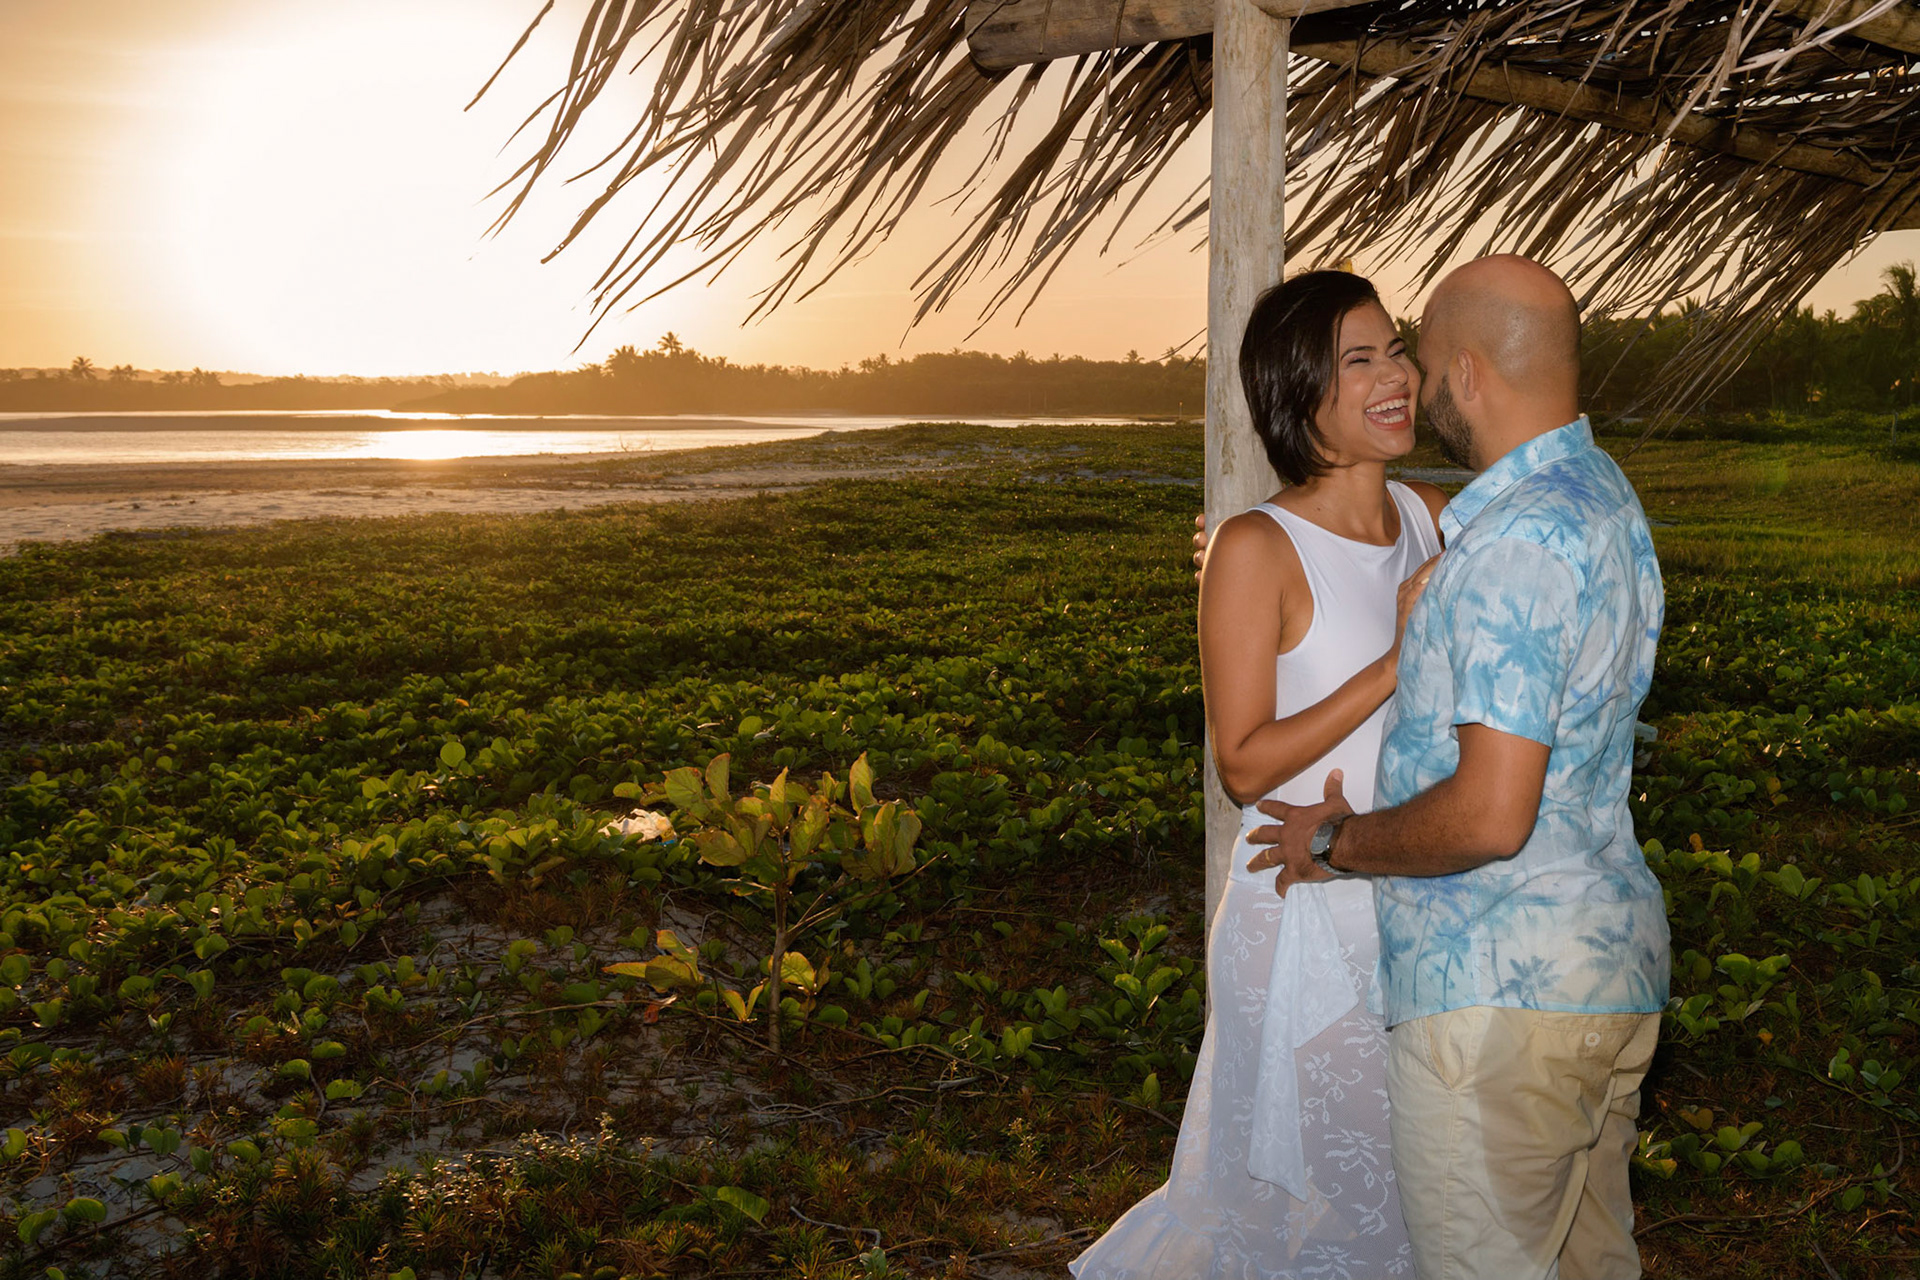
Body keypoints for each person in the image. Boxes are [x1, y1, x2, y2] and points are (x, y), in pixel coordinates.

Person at [1246, 255, 1668, 1280]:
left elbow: (1488, 815)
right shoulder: (1601, 496)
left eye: (1419, 358)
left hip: (1498, 994)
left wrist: (1340, 839)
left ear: (1468, 376)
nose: (1411, 380)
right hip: (1606, 970)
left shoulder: (1506, 544)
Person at [1073, 269, 1442, 1279]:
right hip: (1303, 915)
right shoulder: (1255, 547)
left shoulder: (1429, 515)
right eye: (1357, 359)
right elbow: (1242, 760)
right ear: (1298, 393)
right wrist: (1391, 666)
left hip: (1408, 895)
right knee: (1318, 1207)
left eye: (1395, 348)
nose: (1394, 375)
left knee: (1416, 1199)